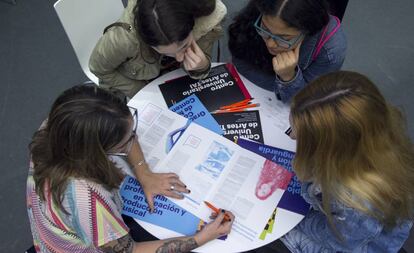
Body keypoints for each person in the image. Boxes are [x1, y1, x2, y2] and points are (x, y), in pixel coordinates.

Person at [27, 85, 234, 252]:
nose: (134, 141)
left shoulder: (59, 126)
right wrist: (200, 238)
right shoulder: (89, 199)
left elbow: (120, 128)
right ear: (96, 150)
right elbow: (130, 251)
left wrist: (144, 173)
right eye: (125, 143)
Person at [281, 71, 414, 252]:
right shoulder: (374, 132)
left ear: (330, 152)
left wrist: (295, 220)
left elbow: (340, 240)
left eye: (301, 137)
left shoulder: (355, 202)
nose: (292, 136)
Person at [89, 0, 227, 98]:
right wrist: (141, 92)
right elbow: (98, 68)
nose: (179, 58)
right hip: (134, 82)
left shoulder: (203, 23)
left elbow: (202, 69)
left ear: (193, 26)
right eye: (166, 52)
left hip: (171, 81)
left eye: (184, 45)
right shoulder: (122, 40)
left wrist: (202, 66)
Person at [228, 0, 347, 103]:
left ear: (307, 32)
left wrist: (289, 78)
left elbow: (308, 101)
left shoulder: (331, 51)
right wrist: (279, 89)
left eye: (284, 38)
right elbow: (240, 57)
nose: (270, 44)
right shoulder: (267, 9)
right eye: (265, 29)